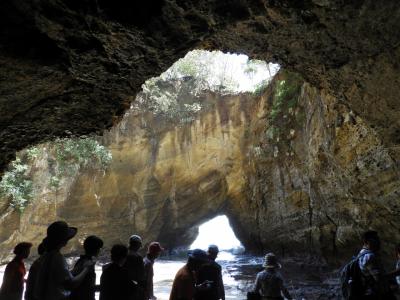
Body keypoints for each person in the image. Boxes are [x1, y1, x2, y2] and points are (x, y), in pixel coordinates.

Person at [34, 221, 95, 300]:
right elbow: (71, 284)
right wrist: (86, 268)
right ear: (64, 240)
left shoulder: (44, 257)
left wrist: (77, 269)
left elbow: (61, 276)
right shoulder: (57, 258)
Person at [358, 230, 395, 299]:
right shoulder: (369, 256)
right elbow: (379, 278)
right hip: (376, 294)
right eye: (375, 239)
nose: (379, 242)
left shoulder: (361, 253)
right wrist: (396, 272)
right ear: (366, 242)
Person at [70, 235, 104, 300]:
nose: (100, 250)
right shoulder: (88, 264)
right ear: (96, 249)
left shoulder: (81, 260)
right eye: (99, 248)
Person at [124, 234, 145, 300]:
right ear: (138, 245)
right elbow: (141, 275)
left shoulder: (123, 254)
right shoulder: (138, 257)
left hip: (123, 286)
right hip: (134, 287)